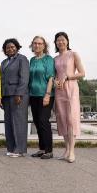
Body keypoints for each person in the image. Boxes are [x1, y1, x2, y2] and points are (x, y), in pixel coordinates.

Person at [54, 32, 85, 163]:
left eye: (63, 40)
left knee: (71, 119)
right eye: (58, 40)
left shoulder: (73, 54)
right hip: (59, 90)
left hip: (71, 88)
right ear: (55, 43)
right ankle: (66, 149)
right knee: (62, 119)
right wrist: (56, 81)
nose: (60, 42)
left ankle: (72, 151)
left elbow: (82, 73)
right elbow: (55, 75)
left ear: (67, 41)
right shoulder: (54, 59)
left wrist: (68, 76)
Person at [0, 38, 30, 158]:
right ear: (5, 50)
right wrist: (1, 97)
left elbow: (24, 78)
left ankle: (20, 149)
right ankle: (11, 147)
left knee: (18, 122)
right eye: (8, 47)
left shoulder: (22, 59)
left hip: (18, 95)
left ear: (17, 47)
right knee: (8, 123)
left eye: (12, 47)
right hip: (6, 95)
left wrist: (19, 93)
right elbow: (2, 80)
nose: (10, 49)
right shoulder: (3, 62)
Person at [29, 36, 55, 159]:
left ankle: (49, 150)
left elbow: (51, 77)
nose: (37, 45)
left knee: (44, 121)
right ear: (32, 45)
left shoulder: (48, 59)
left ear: (44, 46)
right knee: (37, 122)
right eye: (35, 43)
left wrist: (47, 95)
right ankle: (42, 148)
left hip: (45, 95)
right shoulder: (32, 60)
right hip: (33, 95)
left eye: (40, 43)